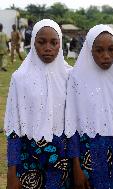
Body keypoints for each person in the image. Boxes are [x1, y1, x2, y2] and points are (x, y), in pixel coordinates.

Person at [5, 19, 72, 189]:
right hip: (30, 157)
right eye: (41, 42)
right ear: (33, 42)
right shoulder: (20, 79)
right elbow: (14, 127)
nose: (48, 48)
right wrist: (12, 170)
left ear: (60, 44)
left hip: (63, 157)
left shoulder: (70, 77)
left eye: (54, 43)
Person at [64, 25, 113, 189]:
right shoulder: (76, 77)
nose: (106, 56)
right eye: (99, 50)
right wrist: (76, 165)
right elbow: (71, 123)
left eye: (111, 49)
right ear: (89, 49)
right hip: (88, 151)